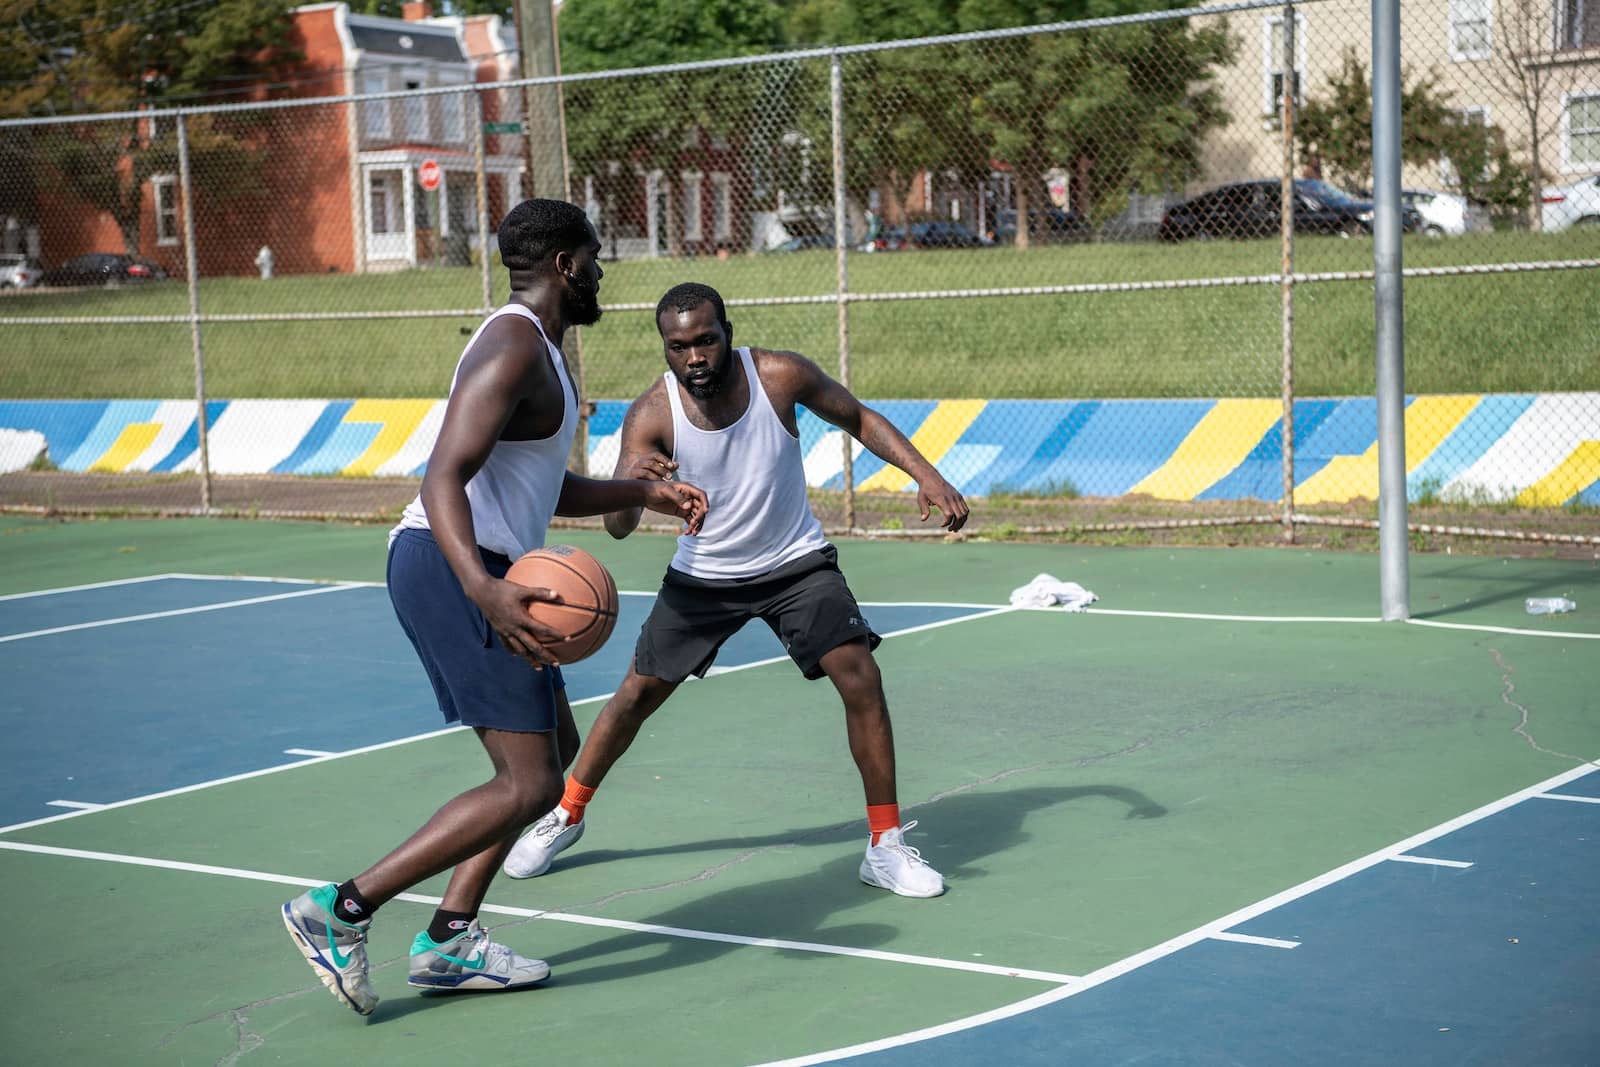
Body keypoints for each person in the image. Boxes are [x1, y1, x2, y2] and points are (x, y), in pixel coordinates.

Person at [280, 200, 708, 1017]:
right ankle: (340, 910)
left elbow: (548, 486)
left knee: (553, 753)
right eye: (595, 258)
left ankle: (448, 940)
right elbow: (443, 474)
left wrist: (645, 492)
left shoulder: (540, 351)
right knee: (529, 780)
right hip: (453, 568)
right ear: (565, 265)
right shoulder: (513, 343)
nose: (602, 273)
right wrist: (483, 586)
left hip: (485, 567)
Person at [501, 281, 969, 898]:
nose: (694, 357)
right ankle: (565, 813)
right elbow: (618, 527)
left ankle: (884, 847)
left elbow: (857, 417)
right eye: (679, 347)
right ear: (665, 349)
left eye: (705, 341)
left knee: (860, 676)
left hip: (795, 563)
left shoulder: (779, 376)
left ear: (726, 333)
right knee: (635, 697)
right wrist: (633, 482)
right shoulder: (653, 413)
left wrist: (926, 474)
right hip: (705, 577)